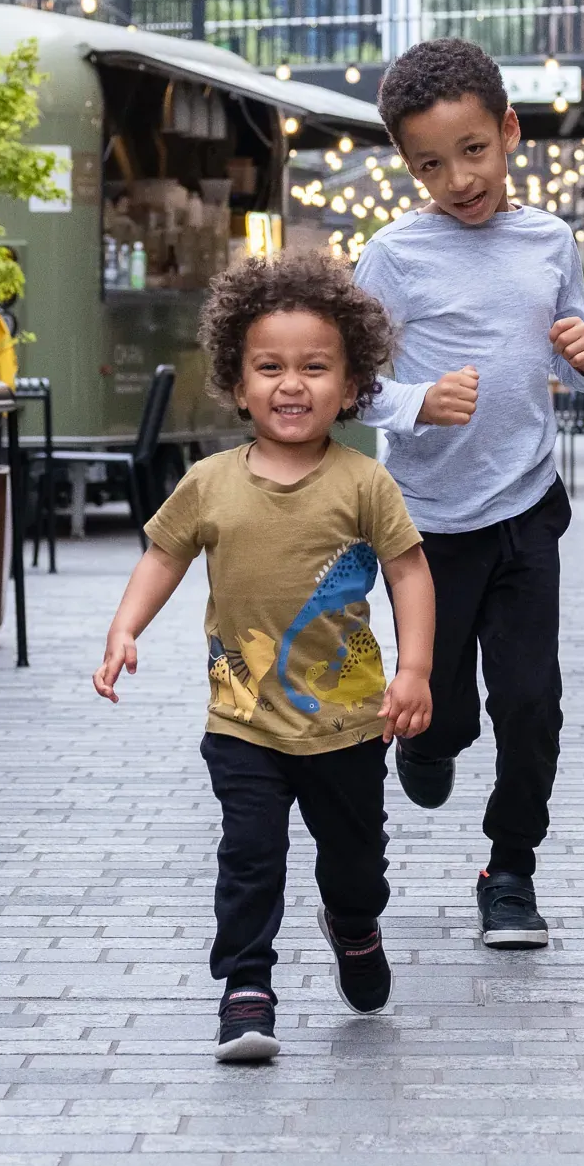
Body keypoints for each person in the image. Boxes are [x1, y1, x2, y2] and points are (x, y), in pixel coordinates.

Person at [93, 252, 436, 1065]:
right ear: (237, 382)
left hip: (349, 728)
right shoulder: (209, 483)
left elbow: (408, 573)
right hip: (241, 722)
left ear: (351, 386)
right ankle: (245, 988)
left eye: (315, 368)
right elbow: (163, 557)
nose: (291, 384)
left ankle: (353, 927)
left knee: (355, 867)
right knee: (250, 859)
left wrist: (414, 671)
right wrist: (124, 627)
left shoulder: (364, 484)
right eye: (269, 367)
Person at [353, 37, 584, 951]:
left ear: (507, 132)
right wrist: (417, 401)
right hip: (425, 528)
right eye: (430, 163)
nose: (458, 178)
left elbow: (571, 352)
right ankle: (425, 742)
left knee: (530, 701)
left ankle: (511, 873)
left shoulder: (549, 239)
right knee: (450, 711)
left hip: (526, 507)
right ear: (406, 165)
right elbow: (345, 383)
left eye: (472, 151)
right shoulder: (393, 257)